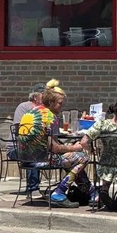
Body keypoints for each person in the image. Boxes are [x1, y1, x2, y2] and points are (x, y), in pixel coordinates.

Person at [17, 79, 91, 208]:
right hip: (43, 159)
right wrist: (74, 147)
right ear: (50, 102)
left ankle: (89, 191)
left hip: (25, 159)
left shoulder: (30, 113)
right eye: (60, 104)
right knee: (82, 157)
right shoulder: (49, 116)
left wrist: (70, 150)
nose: (61, 107)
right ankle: (59, 192)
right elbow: (55, 148)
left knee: (72, 158)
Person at [7, 83, 44, 196]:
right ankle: (32, 189)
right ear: (34, 97)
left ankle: (60, 189)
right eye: (44, 95)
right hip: (16, 148)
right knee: (32, 152)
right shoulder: (23, 107)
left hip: (38, 145)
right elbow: (19, 130)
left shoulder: (45, 110)